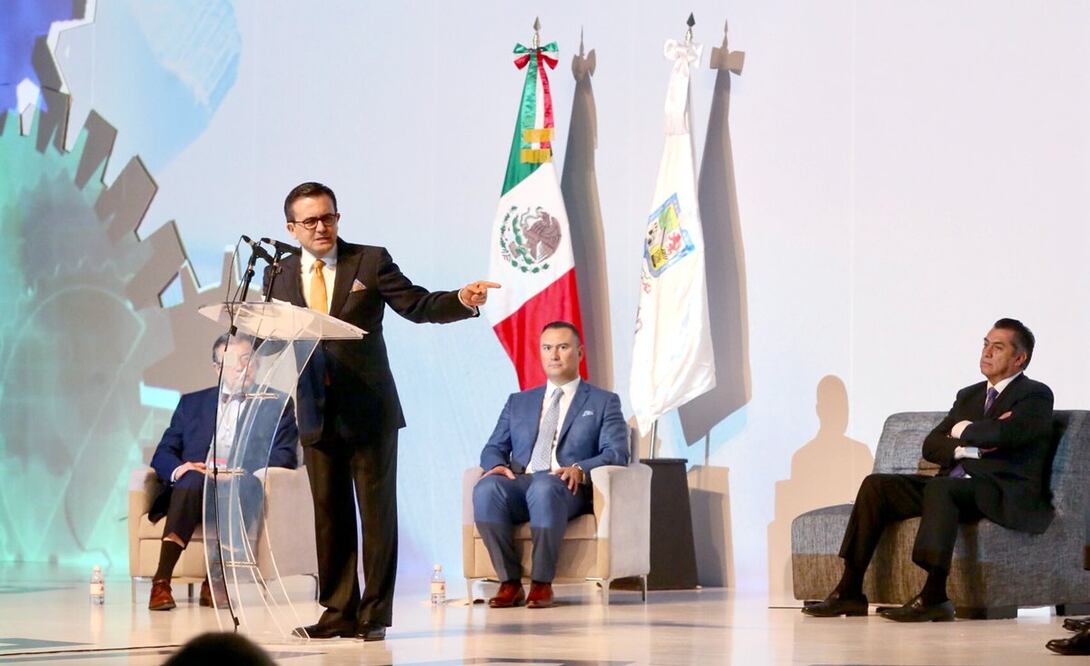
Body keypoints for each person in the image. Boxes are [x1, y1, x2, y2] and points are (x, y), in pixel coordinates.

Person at [263, 181, 498, 641]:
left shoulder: (369, 260)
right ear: (291, 228)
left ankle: (373, 615)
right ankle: (337, 612)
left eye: (328, 217)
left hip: (369, 410)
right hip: (314, 408)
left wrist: (461, 300)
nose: (321, 227)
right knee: (329, 516)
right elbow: (273, 333)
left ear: (338, 218)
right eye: (309, 221)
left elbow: (416, 304)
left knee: (376, 516)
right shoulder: (279, 272)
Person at [803, 318, 1054, 622]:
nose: (986, 352)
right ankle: (849, 590)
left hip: (1000, 489)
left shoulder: (1035, 395)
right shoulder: (969, 395)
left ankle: (935, 595)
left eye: (997, 347)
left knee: (942, 487)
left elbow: (1005, 435)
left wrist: (963, 430)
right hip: (954, 487)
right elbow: (932, 445)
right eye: (985, 344)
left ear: (1019, 358)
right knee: (876, 486)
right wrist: (967, 443)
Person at [473, 321, 628, 609]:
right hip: (522, 483)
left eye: (562, 347)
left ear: (580, 353)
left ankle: (542, 584)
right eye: (547, 348)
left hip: (565, 488)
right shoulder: (518, 402)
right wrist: (495, 464)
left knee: (544, 487)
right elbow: (494, 446)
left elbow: (617, 452)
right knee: (486, 489)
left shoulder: (604, 401)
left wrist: (580, 468)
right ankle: (509, 583)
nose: (554, 355)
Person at [147, 334, 299, 611]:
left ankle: (214, 581)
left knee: (242, 486)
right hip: (196, 488)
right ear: (217, 369)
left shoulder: (276, 403)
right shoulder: (191, 403)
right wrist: (183, 468)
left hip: (240, 485)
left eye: (248, 360)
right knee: (192, 479)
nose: (244, 368)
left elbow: (285, 456)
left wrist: (242, 470)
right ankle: (161, 582)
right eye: (234, 363)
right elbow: (163, 453)